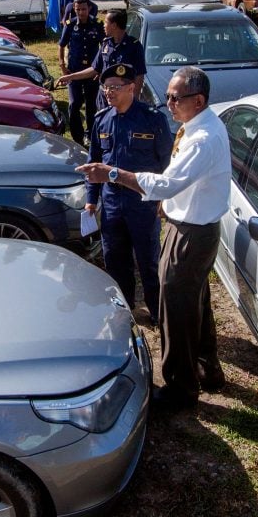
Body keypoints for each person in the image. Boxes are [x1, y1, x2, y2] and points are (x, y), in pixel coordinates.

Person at [75, 66, 230, 409]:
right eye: (169, 96)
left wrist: (111, 173)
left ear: (198, 100)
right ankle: (208, 369)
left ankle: (179, 389)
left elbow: (166, 182)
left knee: (175, 307)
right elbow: (177, 183)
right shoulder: (197, 127)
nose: (169, 102)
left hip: (192, 233)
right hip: (189, 225)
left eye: (176, 98)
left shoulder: (204, 139)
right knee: (195, 302)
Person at [83, 63, 171, 325]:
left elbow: (167, 163)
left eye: (115, 87)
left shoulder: (152, 119)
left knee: (148, 262)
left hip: (143, 204)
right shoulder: (102, 119)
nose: (109, 92)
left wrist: (164, 199)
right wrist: (90, 200)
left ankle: (157, 313)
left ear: (132, 88)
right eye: (106, 87)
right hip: (112, 204)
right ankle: (126, 310)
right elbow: (94, 163)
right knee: (115, 261)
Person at [57, 9, 145, 111]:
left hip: (123, 99)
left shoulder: (134, 46)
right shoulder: (105, 44)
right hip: (105, 98)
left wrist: (134, 99)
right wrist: (70, 77)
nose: (104, 25)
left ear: (114, 25)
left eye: (106, 22)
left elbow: (140, 75)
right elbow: (94, 69)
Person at [58, 0, 103, 146]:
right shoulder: (70, 25)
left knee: (91, 105)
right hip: (73, 72)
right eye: (77, 10)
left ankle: (89, 134)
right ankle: (77, 137)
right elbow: (61, 44)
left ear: (89, 8)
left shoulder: (97, 24)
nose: (81, 12)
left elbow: (104, 47)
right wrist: (62, 66)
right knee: (74, 104)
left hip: (92, 72)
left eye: (83, 9)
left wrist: (101, 69)